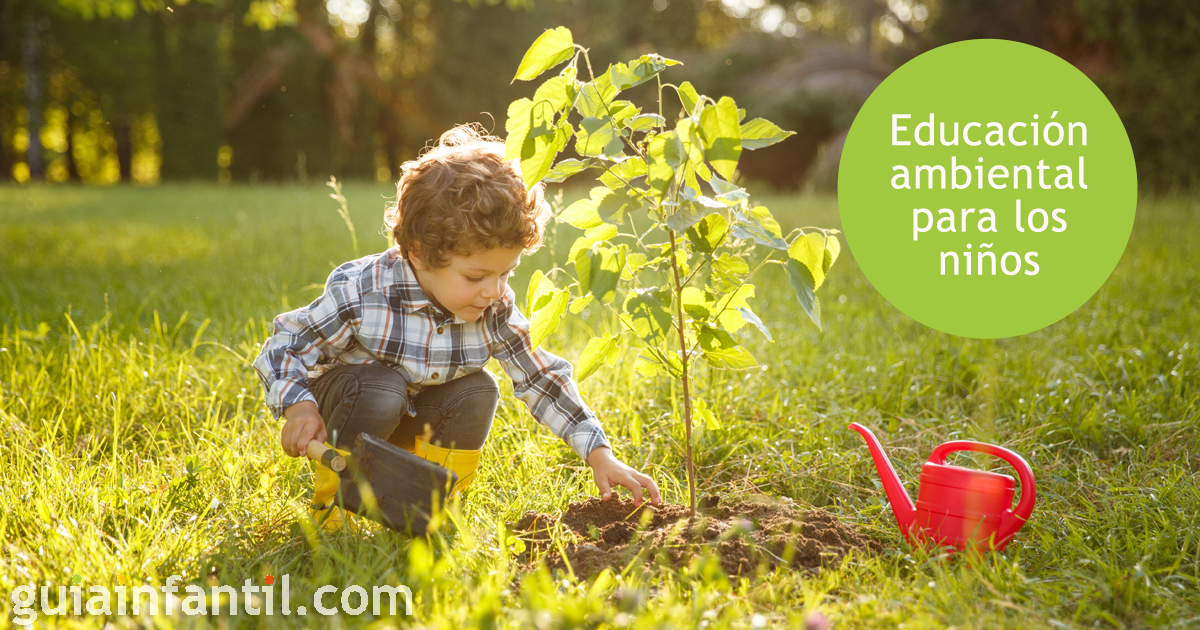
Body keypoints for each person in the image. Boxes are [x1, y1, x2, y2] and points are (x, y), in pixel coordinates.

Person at [253, 124, 660, 530]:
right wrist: (299, 407)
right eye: (475, 277)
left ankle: (429, 507)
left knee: (478, 389)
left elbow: (541, 378)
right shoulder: (365, 293)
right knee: (382, 388)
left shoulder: (494, 307)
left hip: (415, 418)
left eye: (507, 274)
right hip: (354, 408)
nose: (493, 291)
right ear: (419, 253)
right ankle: (338, 509)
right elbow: (286, 343)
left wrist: (599, 454)